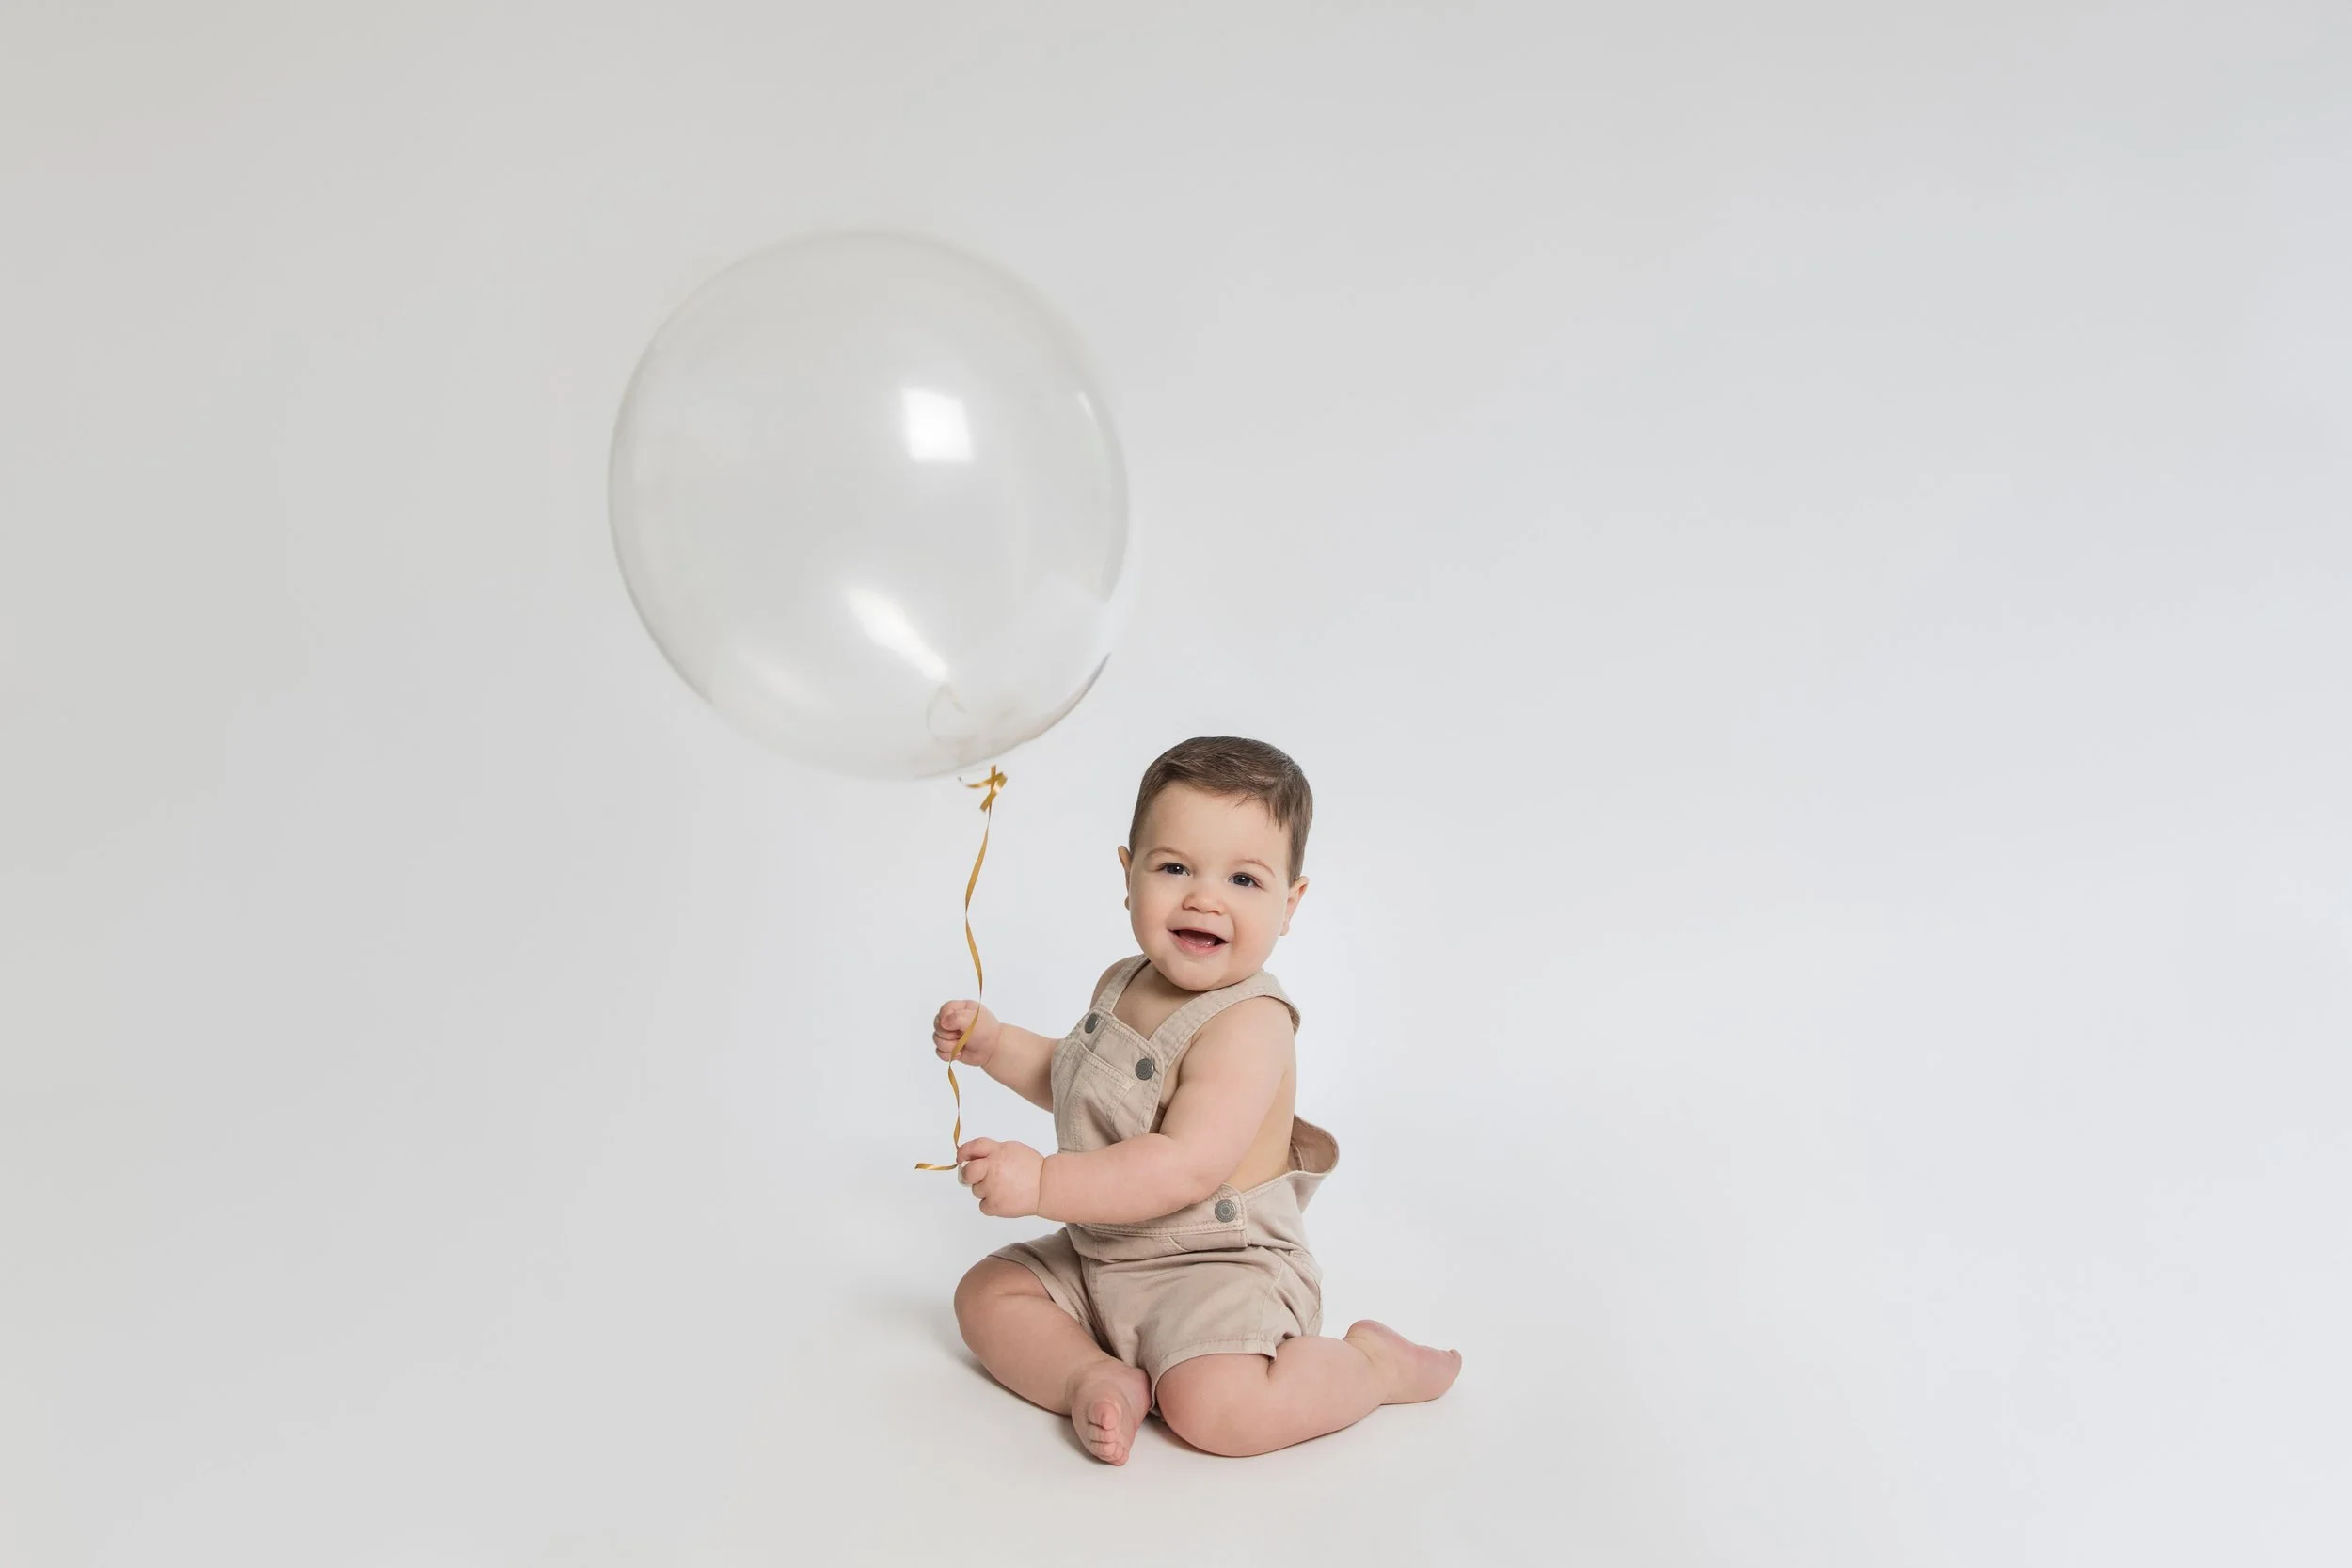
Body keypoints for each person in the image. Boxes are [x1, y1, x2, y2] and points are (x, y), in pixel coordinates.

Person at [940, 736, 1461, 1464]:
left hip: (1217, 1269)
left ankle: (1371, 1367)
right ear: (1129, 875)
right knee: (985, 1295)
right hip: (1105, 1249)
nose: (1204, 897)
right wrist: (995, 1044)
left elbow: (1183, 1164)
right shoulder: (1123, 980)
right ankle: (1093, 1375)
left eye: (1244, 879)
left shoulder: (1251, 1025)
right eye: (1175, 867)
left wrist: (1043, 1183)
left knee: (1215, 1409)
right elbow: (1076, 1078)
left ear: (1290, 902)